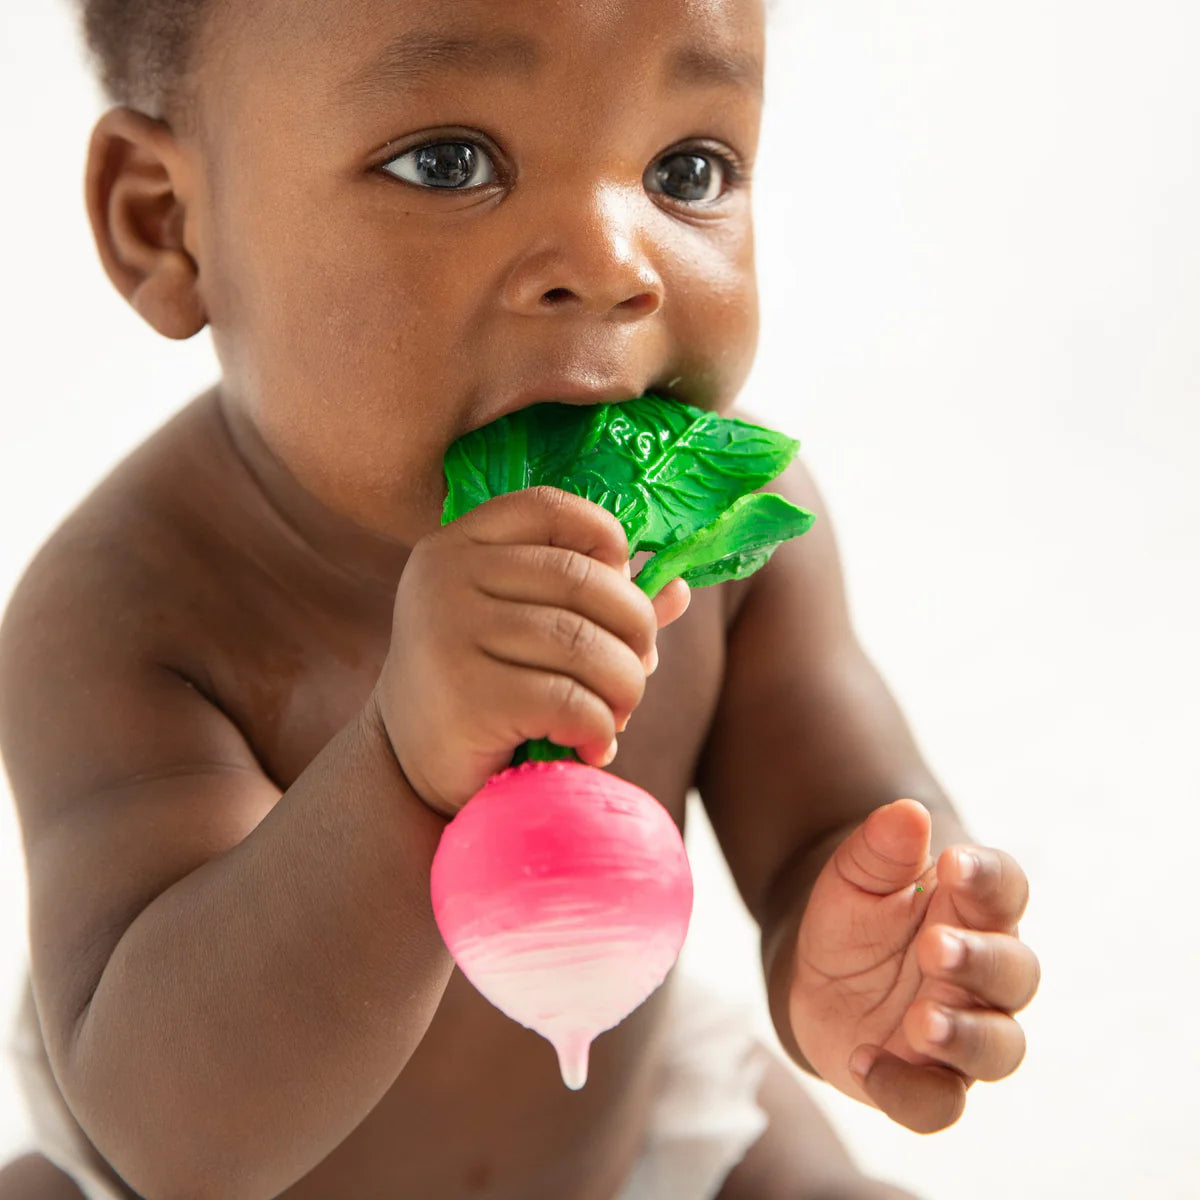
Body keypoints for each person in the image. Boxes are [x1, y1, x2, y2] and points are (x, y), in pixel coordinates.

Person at [0, 0, 1041, 1196]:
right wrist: (403, 760)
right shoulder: (131, 613)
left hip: (622, 1139)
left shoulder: (723, 539)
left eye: (685, 169)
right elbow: (177, 1132)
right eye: (449, 164)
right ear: (170, 223)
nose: (610, 264)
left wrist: (886, 941)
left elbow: (836, 823)